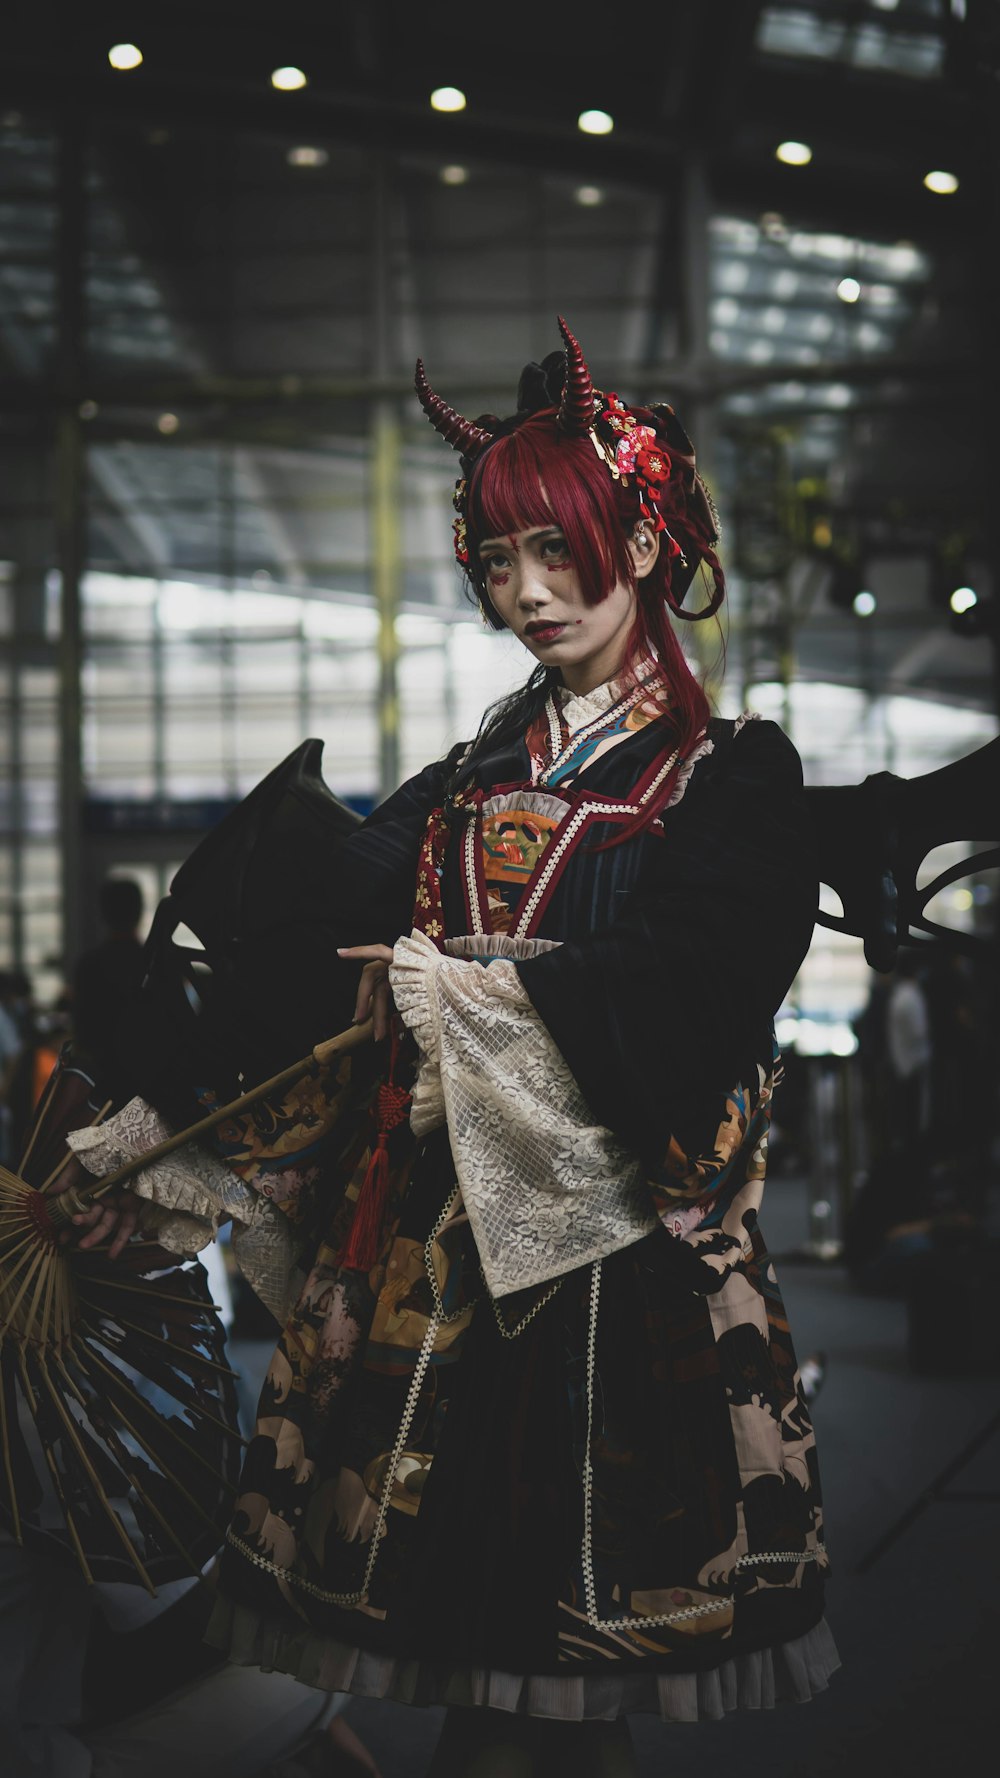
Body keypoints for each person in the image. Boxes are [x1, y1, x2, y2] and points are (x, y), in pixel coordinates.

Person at [120, 321, 839, 1773]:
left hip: (617, 1282)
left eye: (554, 552)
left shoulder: (729, 774)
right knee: (477, 1685)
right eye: (497, 562)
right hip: (435, 1280)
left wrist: (477, 990)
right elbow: (307, 966)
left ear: (641, 541)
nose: (525, 594)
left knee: (566, 1677)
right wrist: (148, 1125)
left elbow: (699, 990)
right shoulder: (465, 779)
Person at [72, 877, 147, 1106]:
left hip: (101, 1086)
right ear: (140, 912)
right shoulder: (153, 964)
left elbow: (82, 1032)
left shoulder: (89, 966)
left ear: (103, 914)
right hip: (149, 1084)